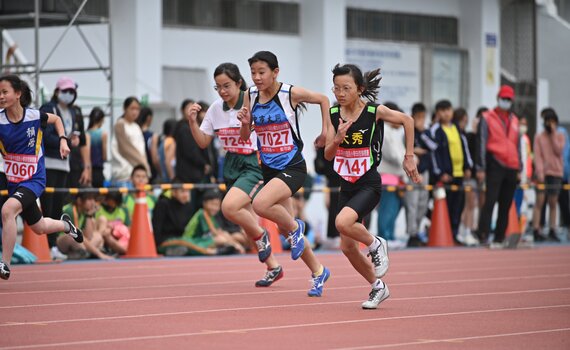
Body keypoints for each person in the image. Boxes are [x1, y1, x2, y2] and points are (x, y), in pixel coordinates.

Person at [324, 64, 421, 309]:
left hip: (368, 183)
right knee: (347, 247)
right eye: (336, 88)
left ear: (360, 89)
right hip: (346, 184)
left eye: (346, 88)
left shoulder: (373, 111)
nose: (340, 93)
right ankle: (378, 287)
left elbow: (408, 121)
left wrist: (408, 156)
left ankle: (376, 243)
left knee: (342, 223)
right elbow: (327, 154)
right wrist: (337, 139)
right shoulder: (333, 113)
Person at [237, 51, 330, 297]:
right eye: (253, 73)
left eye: (261, 72)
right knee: (285, 230)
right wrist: (245, 123)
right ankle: (319, 271)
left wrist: (325, 132)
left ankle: (297, 227)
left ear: (275, 72)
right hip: (270, 167)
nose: (256, 77)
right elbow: (246, 137)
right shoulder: (250, 95)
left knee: (260, 204)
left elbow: (322, 99)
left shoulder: (289, 93)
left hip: (292, 166)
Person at [187, 62, 283, 286]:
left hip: (252, 162)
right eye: (218, 87)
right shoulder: (215, 109)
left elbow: (245, 137)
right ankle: (274, 267)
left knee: (229, 208)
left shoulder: (251, 102)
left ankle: (263, 235)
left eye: (227, 85)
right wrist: (192, 122)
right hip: (231, 163)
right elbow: (202, 142)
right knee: (245, 219)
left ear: (239, 83)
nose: (222, 91)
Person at [0, 74, 83, 280]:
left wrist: (63, 140)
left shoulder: (35, 116)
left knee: (7, 210)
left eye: (4, 92)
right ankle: (66, 225)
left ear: (18, 94)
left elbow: (56, 120)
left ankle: (5, 264)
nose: (0, 96)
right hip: (15, 181)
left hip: (34, 178)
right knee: (39, 227)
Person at [39, 77, 91, 255]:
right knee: (47, 204)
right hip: (48, 162)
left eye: (72, 92)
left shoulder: (74, 112)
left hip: (65, 164)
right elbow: (44, 136)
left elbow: (80, 138)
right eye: (65, 91)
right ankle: (47, 246)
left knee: (58, 205)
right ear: (57, 91)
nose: (69, 95)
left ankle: (53, 245)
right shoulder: (48, 109)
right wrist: (66, 140)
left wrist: (73, 140)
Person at [475, 85, 520, 246]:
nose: (506, 101)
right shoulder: (487, 117)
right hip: (495, 162)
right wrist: (480, 167)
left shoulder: (515, 120)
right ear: (498, 98)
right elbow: (481, 143)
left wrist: (520, 167)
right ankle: (483, 233)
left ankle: (499, 236)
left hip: (512, 166)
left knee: (506, 203)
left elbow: (518, 145)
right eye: (504, 98)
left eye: (509, 99)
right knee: (490, 200)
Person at [531, 108, 565, 242]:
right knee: (539, 201)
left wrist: (553, 134)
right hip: (543, 174)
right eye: (547, 121)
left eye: (552, 122)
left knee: (553, 202)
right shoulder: (539, 137)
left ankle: (552, 229)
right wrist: (539, 172)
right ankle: (536, 229)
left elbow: (559, 151)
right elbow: (538, 156)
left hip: (556, 173)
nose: (549, 124)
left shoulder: (560, 135)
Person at [375, 102, 406, 247]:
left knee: (393, 209)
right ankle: (384, 236)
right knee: (387, 209)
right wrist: (407, 160)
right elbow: (393, 155)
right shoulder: (384, 130)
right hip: (387, 177)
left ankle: (390, 235)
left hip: (396, 177)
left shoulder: (393, 133)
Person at [175, 98, 211, 214]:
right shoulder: (184, 128)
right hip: (189, 174)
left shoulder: (199, 127)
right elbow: (190, 151)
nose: (192, 111)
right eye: (189, 108)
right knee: (191, 205)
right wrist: (204, 164)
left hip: (197, 173)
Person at [404, 102, 432, 247]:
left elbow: (432, 146)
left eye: (423, 117)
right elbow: (407, 148)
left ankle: (418, 228)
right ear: (413, 116)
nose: (421, 120)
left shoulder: (426, 132)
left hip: (425, 172)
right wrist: (415, 150)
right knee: (412, 203)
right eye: (418, 117)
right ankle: (412, 233)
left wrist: (422, 132)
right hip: (412, 172)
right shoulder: (408, 129)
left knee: (423, 203)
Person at [58, 191, 116, 260]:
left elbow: (89, 236)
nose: (93, 202)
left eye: (93, 199)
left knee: (98, 237)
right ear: (79, 201)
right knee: (79, 242)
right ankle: (90, 252)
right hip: (63, 241)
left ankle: (85, 253)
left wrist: (89, 215)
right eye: (89, 199)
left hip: (77, 240)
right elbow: (77, 235)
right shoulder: (70, 210)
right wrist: (100, 254)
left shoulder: (84, 211)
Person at [110, 97, 149, 187]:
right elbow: (125, 149)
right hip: (125, 175)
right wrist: (142, 164)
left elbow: (141, 150)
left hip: (138, 175)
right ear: (125, 109)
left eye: (137, 109)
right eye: (132, 108)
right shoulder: (120, 124)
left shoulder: (136, 127)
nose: (135, 112)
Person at [152, 179, 193, 247]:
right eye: (182, 192)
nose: (186, 195)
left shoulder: (188, 206)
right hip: (164, 240)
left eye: (187, 191)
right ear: (173, 192)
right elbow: (156, 230)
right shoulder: (163, 204)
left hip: (183, 240)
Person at [137, 107, 160, 183]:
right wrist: (160, 171)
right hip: (150, 172)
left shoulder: (135, 134)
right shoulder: (153, 136)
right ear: (149, 118)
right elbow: (154, 158)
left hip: (137, 171)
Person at [86, 107, 107, 188]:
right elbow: (104, 156)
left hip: (86, 170)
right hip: (98, 170)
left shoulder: (86, 133)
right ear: (101, 120)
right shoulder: (103, 134)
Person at [157, 118, 177, 183]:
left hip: (163, 175)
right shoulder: (171, 142)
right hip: (169, 176)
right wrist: (172, 177)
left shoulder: (163, 141)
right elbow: (168, 161)